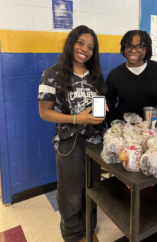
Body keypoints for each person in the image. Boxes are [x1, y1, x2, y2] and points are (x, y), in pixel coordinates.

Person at [38, 25, 107, 242]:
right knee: (71, 196)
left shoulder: (95, 76)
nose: (85, 49)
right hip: (69, 144)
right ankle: (73, 235)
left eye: (91, 47)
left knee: (92, 190)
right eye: (80, 43)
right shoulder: (52, 74)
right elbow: (45, 113)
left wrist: (102, 111)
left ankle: (89, 230)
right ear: (71, 43)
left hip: (95, 141)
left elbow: (96, 106)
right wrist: (79, 119)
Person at [105, 30, 157, 126]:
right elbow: (108, 105)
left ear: (147, 48)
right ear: (124, 48)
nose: (133, 50)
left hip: (151, 132)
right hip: (125, 131)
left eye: (140, 46)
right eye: (129, 46)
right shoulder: (114, 74)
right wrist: (115, 128)